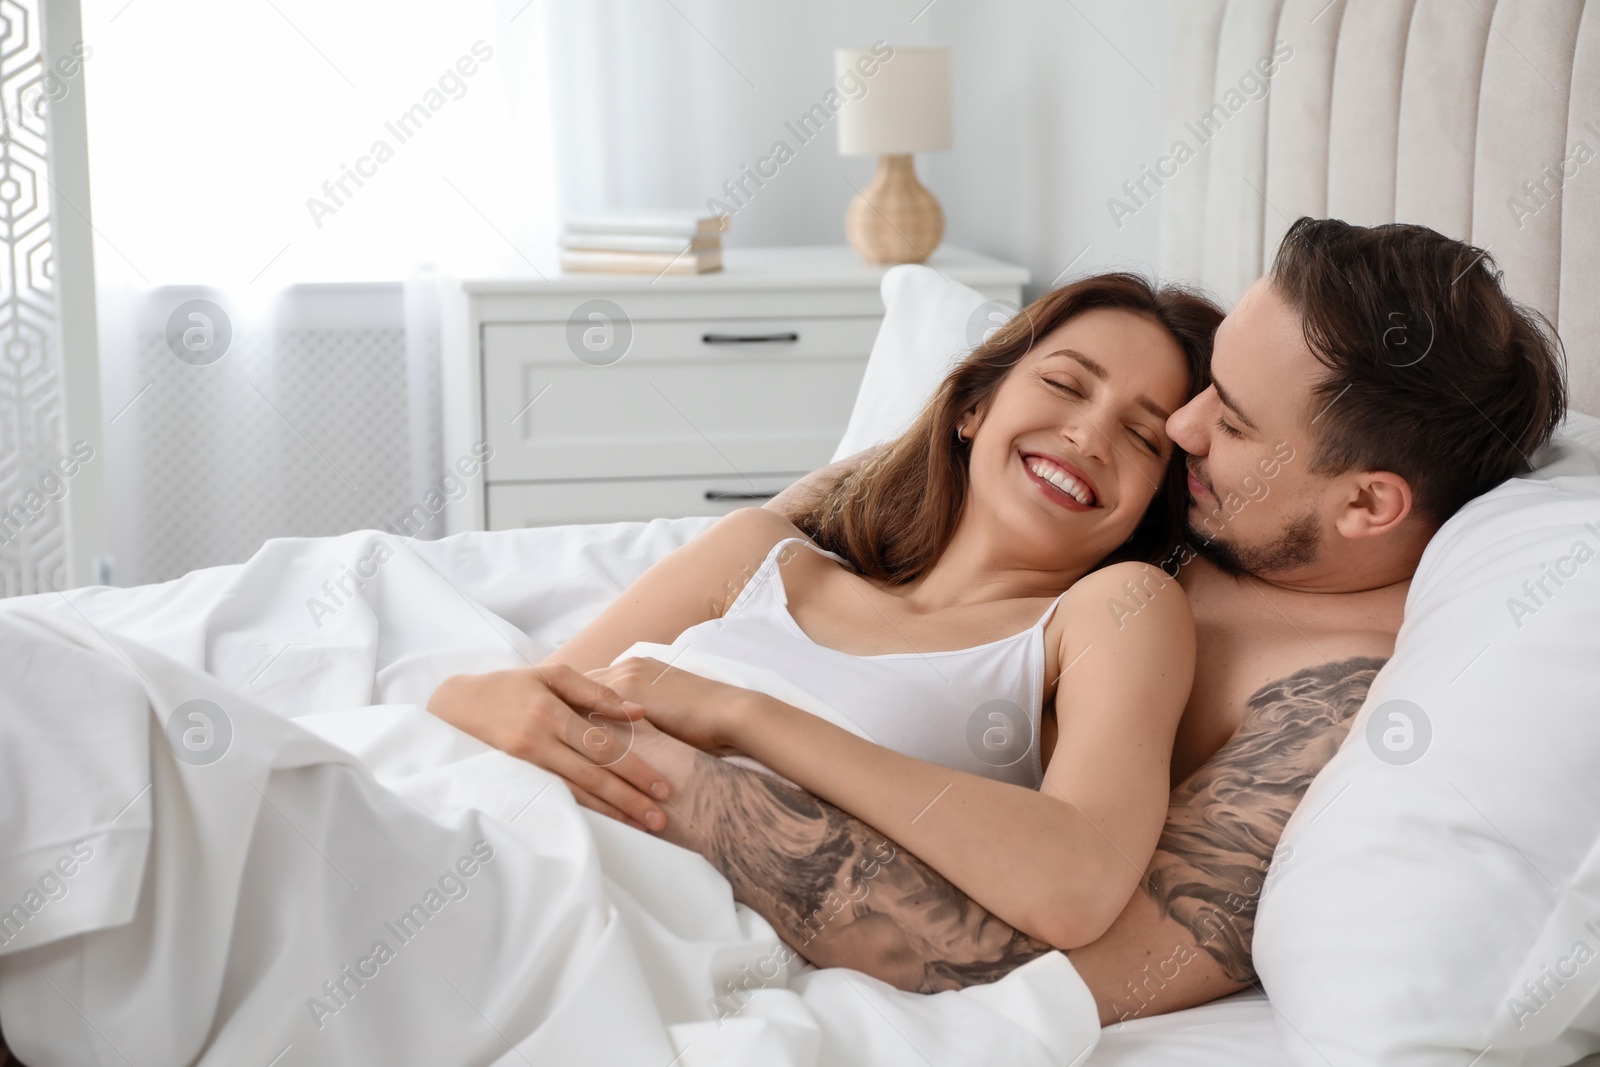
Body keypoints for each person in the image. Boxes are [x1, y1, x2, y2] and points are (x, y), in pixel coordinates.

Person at [549, 216, 1565, 1024]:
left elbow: (1036, 962)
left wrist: (687, 767)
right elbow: (838, 510)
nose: (1179, 427)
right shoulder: (1208, 505)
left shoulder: (1327, 696)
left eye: (1233, 420)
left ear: (1366, 505)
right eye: (1207, 388)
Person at [429, 273, 1223, 953]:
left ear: (1153, 503)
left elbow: (1076, 882)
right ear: (973, 407)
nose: (1088, 435)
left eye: (1142, 437)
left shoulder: (1112, 611)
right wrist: (471, 698)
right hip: (494, 828)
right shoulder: (761, 552)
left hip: (623, 911)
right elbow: (516, 698)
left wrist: (741, 713)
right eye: (1064, 384)